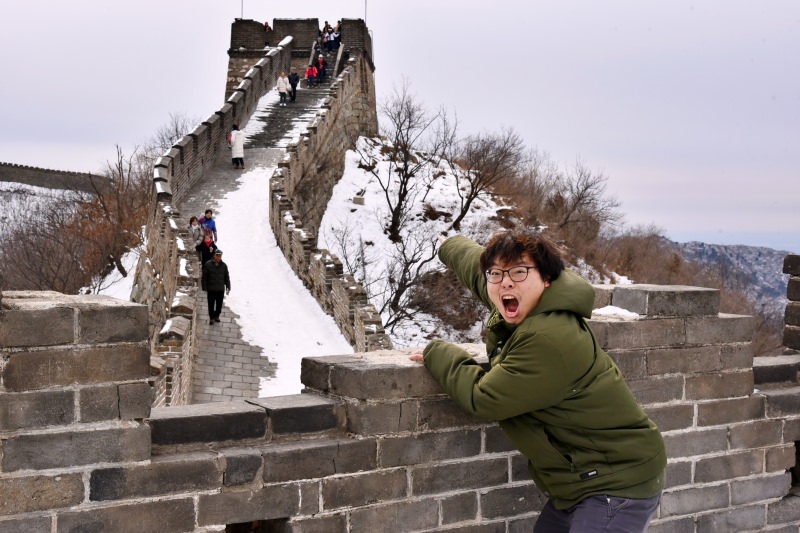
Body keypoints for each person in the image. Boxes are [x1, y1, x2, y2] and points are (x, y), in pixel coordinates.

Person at [410, 228, 666, 533]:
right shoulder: (531, 302)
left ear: (546, 279)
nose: (505, 281)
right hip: (581, 480)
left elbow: (484, 398)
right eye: (497, 273)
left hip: (618, 483)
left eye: (519, 272)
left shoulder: (548, 336)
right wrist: (451, 244)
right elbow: (479, 275)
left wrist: (436, 351)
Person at [201, 249, 230, 325]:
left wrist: (228, 286)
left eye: (219, 256)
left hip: (220, 289)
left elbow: (226, 277)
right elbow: (204, 277)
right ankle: (211, 318)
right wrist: (204, 287)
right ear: (214, 255)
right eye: (217, 255)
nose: (218, 257)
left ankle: (217, 316)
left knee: (219, 304)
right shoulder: (208, 265)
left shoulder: (224, 266)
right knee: (211, 304)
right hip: (211, 289)